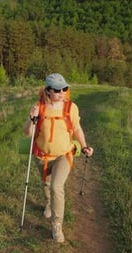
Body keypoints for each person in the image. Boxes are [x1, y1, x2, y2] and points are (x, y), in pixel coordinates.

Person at [23, 73, 94, 243]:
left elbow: (76, 128)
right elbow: (28, 133)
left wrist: (84, 146)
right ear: (48, 91)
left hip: (64, 154)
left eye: (65, 88)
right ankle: (49, 203)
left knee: (56, 186)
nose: (62, 92)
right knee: (47, 185)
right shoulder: (38, 107)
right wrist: (31, 119)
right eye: (57, 89)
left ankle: (57, 225)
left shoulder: (71, 108)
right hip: (43, 156)